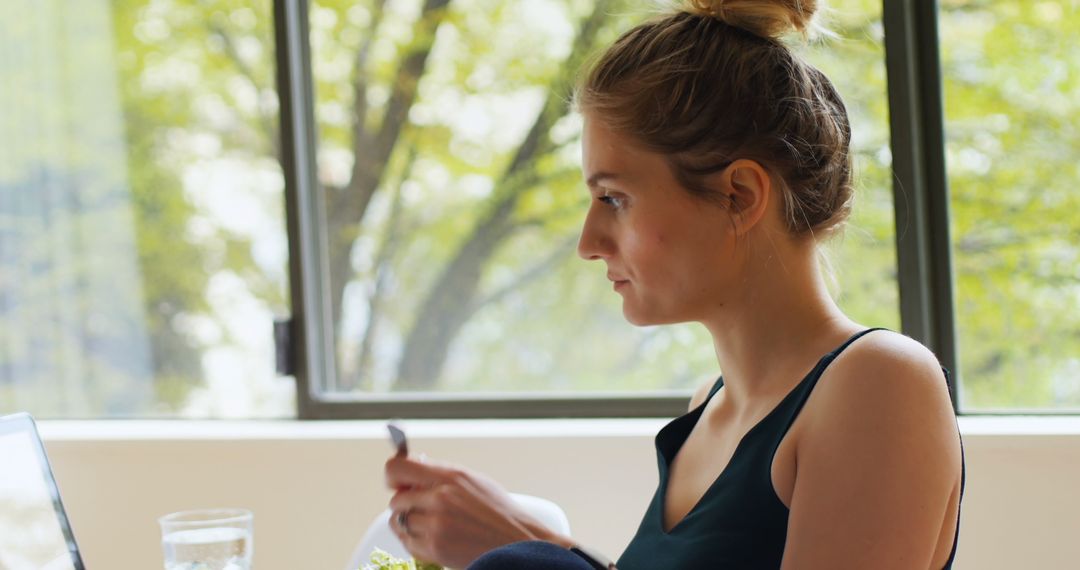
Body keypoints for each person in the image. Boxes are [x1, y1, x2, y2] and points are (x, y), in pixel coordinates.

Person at [384, 0, 965, 568]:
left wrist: (531, 558)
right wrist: (527, 540)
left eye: (614, 198)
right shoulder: (708, 406)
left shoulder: (881, 381)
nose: (588, 241)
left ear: (739, 196)